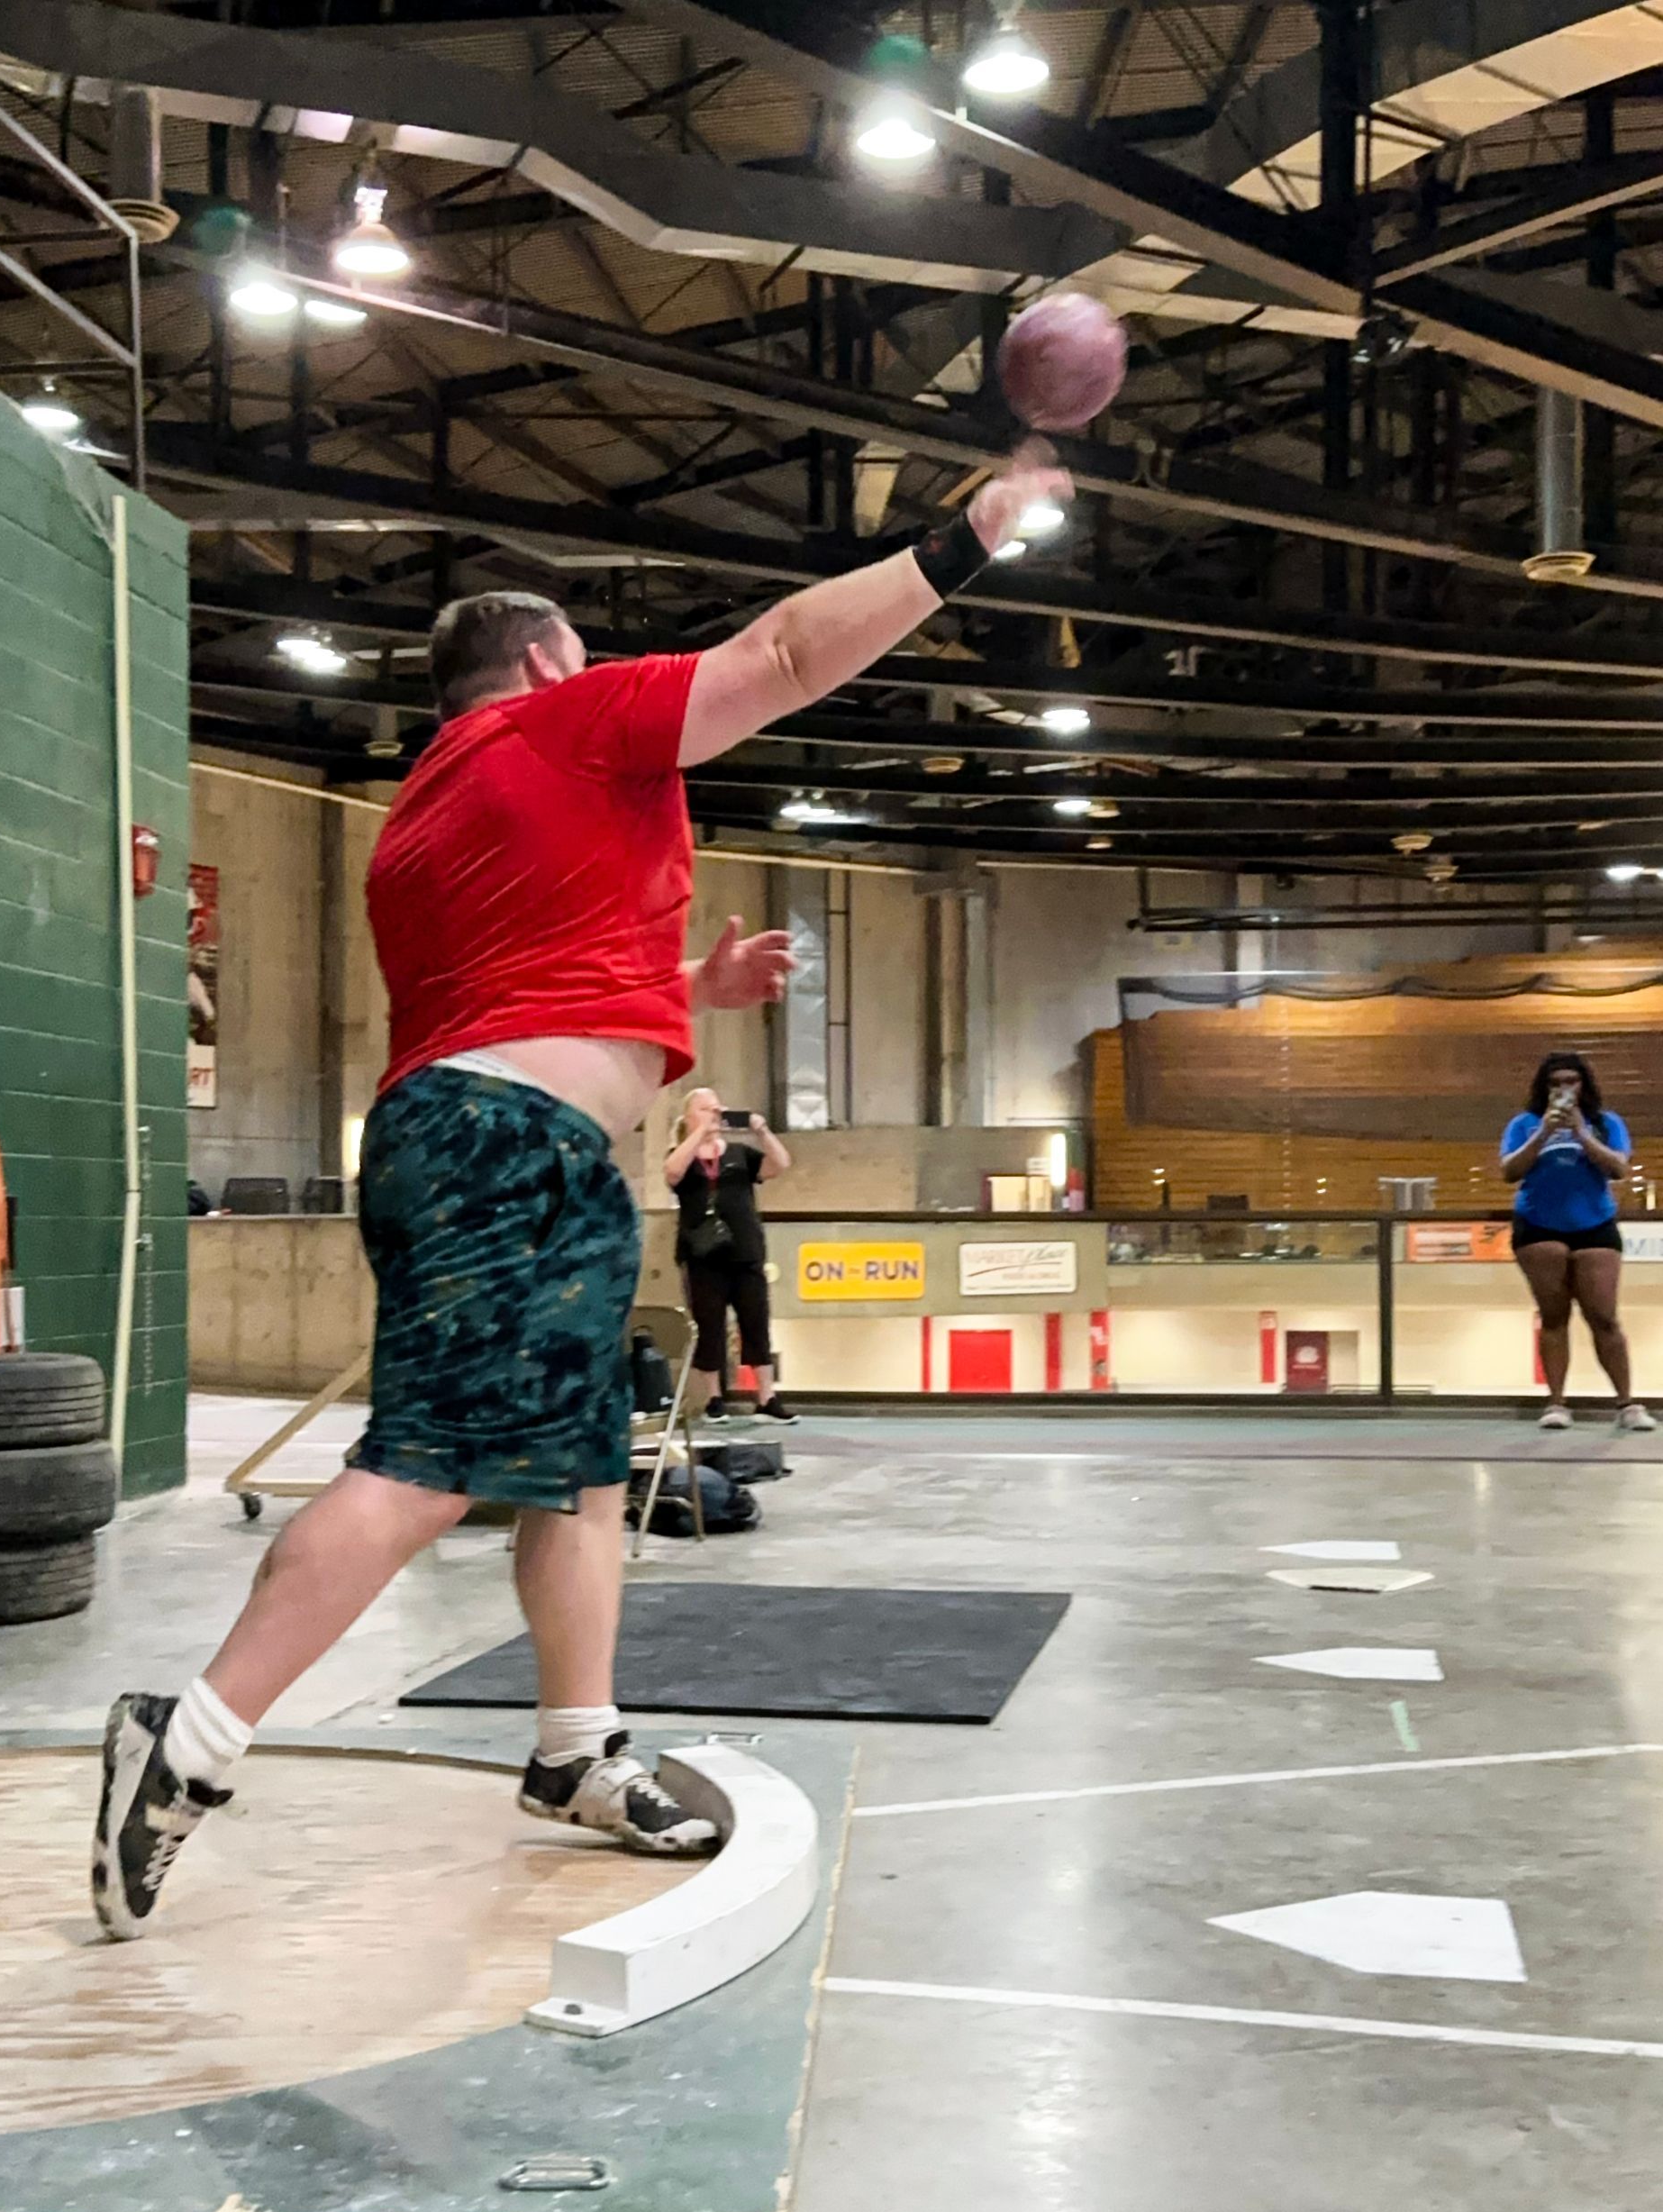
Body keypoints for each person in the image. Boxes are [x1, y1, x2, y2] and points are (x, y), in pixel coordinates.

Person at [90, 443, 1072, 1940]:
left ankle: (575, 1755)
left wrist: (694, 987)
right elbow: (789, 650)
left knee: (582, 1468)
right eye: (584, 655)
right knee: (424, 1467)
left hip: (479, 1131)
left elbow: (523, 987)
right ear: (545, 658)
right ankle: (190, 1743)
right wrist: (963, 542)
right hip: (511, 1150)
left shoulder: (430, 814)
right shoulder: (568, 717)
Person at [1500, 1051, 1654, 1433]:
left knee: (1603, 1316)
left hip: (1594, 1224)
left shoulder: (1606, 1122)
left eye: (1571, 1081)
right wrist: (1544, 1133)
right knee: (1554, 1316)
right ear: (1544, 1087)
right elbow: (1510, 1171)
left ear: (1584, 1085)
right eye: (1556, 1083)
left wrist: (1582, 1132)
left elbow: (1618, 1168)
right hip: (1539, 1224)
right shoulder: (1524, 1123)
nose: (1564, 1089)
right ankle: (1556, 1403)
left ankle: (1627, 1403)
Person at [665, 1088, 794, 1424]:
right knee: (709, 1325)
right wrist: (698, 1136)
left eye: (718, 1109)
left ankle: (766, 1396)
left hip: (744, 1251)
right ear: (691, 1115)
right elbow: (672, 1173)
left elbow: (779, 1165)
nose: (715, 1114)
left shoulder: (738, 1153)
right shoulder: (684, 1153)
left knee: (755, 1320)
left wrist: (761, 1131)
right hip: (702, 1254)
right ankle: (714, 1398)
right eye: (707, 1109)